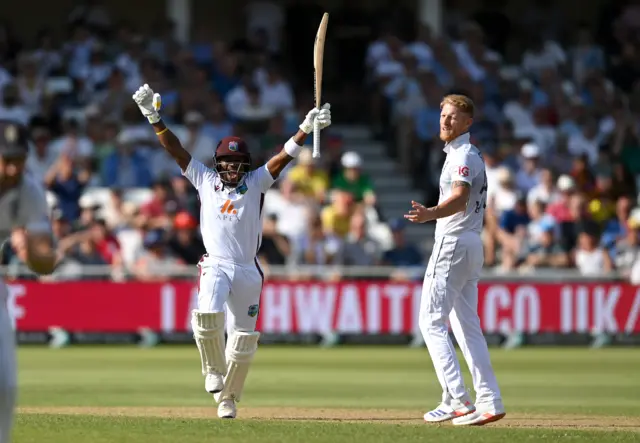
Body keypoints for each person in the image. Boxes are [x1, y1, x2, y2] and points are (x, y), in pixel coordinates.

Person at [132, 84, 331, 419]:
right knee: (207, 316)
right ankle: (212, 370)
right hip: (216, 264)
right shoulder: (204, 178)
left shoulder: (255, 183)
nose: (232, 168)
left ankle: (228, 399)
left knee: (243, 341)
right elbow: (176, 150)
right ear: (218, 162)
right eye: (227, 162)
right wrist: (153, 116)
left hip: (248, 270)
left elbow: (281, 158)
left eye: (238, 162)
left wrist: (305, 129)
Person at [404, 94, 505, 426]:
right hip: (470, 244)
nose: (445, 121)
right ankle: (488, 400)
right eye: (443, 115)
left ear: (467, 124)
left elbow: (459, 198)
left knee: (430, 322)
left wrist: (430, 213)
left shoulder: (463, 155)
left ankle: (458, 399)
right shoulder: (467, 153)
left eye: (453, 117)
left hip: (453, 243)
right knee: (466, 327)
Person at [0, 120, 57, 442]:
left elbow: (45, 262)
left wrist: (30, 252)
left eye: (18, 159)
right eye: (5, 159)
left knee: (5, 384)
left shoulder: (29, 191)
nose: (12, 168)